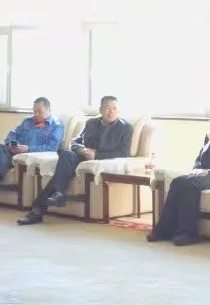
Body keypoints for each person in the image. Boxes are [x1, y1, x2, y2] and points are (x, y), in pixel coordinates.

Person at [17, 95, 132, 225]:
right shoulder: (91, 123)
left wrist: (97, 155)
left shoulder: (125, 127)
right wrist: (82, 150)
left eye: (114, 108)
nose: (111, 112)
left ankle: (39, 208)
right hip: (82, 157)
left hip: (99, 161)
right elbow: (74, 142)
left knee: (59, 177)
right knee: (66, 154)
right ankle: (57, 194)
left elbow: (124, 153)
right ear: (100, 109)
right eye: (107, 108)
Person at [148, 98, 210, 245]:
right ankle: (165, 230)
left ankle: (188, 233)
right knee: (178, 182)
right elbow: (200, 157)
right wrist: (197, 169)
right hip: (204, 173)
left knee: (189, 185)